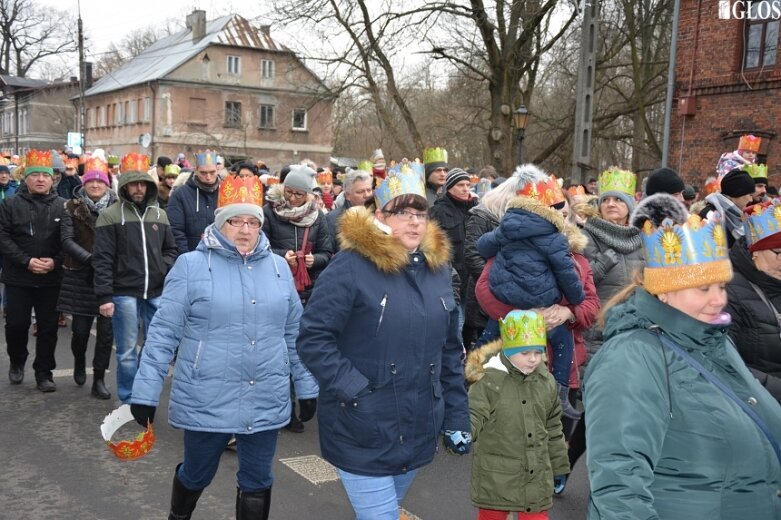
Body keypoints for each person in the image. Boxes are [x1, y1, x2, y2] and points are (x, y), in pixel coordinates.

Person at [584, 193, 781, 519]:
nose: (718, 300)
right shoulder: (633, 357)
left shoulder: (714, 339)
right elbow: (619, 484)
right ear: (663, 290)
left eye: (721, 287)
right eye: (703, 289)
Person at [129, 176, 316, 519]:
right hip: (208, 392)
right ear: (220, 223)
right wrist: (145, 393)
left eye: (253, 221)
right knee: (198, 472)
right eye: (235, 221)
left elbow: (294, 332)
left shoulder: (277, 268)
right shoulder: (191, 266)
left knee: (258, 478)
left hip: (265, 391)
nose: (245, 230)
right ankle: (178, 515)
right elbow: (163, 333)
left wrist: (306, 386)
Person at [296, 166, 470, 519]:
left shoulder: (437, 272)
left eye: (420, 213)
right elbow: (313, 337)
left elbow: (450, 351)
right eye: (402, 212)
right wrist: (356, 389)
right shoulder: (351, 267)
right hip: (362, 425)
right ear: (380, 216)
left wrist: (456, 415)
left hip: (419, 424)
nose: (414, 222)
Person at [476, 166, 585, 420]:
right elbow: (565, 272)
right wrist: (575, 298)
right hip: (540, 299)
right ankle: (560, 393)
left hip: (505, 293)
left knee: (492, 334)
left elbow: (482, 246)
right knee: (562, 341)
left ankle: (472, 371)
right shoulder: (554, 236)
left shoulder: (507, 227)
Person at [466, 310, 569, 520]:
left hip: (535, 475)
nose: (533, 359)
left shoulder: (546, 382)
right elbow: (473, 414)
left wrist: (559, 466)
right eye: (525, 353)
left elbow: (553, 428)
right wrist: (464, 432)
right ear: (508, 349)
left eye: (538, 352)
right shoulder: (489, 380)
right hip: (496, 476)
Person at [92, 153, 178, 404]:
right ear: (124, 186)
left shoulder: (159, 214)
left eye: (143, 183)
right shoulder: (110, 215)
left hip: (156, 291)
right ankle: (130, 398)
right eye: (133, 183)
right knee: (127, 351)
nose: (139, 189)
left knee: (155, 349)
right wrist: (105, 296)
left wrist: (162, 267)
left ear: (150, 185)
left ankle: (145, 395)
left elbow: (171, 249)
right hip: (123, 292)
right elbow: (103, 259)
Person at [263, 164, 333, 432]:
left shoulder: (318, 217)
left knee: (303, 347)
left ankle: (306, 396)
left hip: (309, 289)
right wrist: (282, 256)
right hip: (277, 287)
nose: (292, 199)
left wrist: (317, 259)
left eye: (298, 195)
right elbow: (263, 245)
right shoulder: (269, 212)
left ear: (308, 195)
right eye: (289, 192)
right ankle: (285, 407)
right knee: (281, 351)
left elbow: (328, 250)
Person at [0, 151, 65, 391]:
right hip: (18, 277)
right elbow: (3, 237)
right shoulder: (10, 204)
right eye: (35, 174)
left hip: (51, 278)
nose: (40, 179)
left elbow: (67, 241)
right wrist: (26, 261)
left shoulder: (62, 206)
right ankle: (17, 361)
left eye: (45, 175)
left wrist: (55, 262)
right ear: (25, 178)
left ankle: (44, 372)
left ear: (52, 179)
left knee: (47, 328)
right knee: (16, 324)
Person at [57, 157, 116, 399]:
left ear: (106, 185)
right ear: (84, 183)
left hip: (109, 277)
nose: (95, 185)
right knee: (80, 331)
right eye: (90, 180)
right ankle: (80, 361)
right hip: (80, 275)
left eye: (99, 181)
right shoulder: (71, 207)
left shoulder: (117, 208)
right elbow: (66, 240)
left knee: (105, 334)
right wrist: (92, 260)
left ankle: (99, 378)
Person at [726, 199, 781, 403]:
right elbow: (725, 364)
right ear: (755, 251)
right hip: (761, 405)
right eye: (779, 252)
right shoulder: (727, 293)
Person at [430, 167, 478, 342]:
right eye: (460, 184)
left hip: (473, 279)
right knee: (456, 325)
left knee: (471, 327)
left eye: (468, 184)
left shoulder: (475, 209)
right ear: (449, 186)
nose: (466, 188)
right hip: (451, 279)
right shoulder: (438, 212)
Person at [168, 151, 221, 254]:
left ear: (217, 170)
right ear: (195, 170)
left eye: (212, 172)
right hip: (191, 256)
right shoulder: (180, 195)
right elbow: (175, 231)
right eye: (203, 173)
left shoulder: (226, 193)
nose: (208, 177)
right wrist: (187, 258)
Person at [698, 167, 755, 248]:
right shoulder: (710, 215)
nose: (751, 199)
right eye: (750, 195)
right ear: (736, 193)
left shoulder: (735, 215)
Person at [325, 168, 373, 252]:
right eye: (360, 192)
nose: (367, 195)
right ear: (347, 195)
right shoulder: (333, 219)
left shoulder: (379, 215)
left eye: (369, 190)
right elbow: (327, 254)